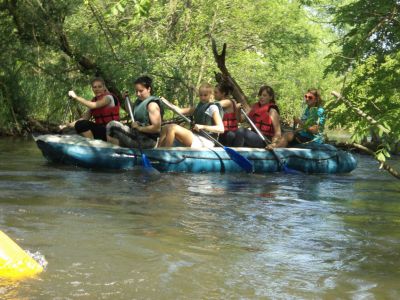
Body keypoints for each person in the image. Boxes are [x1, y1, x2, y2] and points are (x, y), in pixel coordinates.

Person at [158, 83, 224, 148]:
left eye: (205, 95)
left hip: (206, 141)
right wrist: (166, 102)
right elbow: (180, 111)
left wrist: (203, 126)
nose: (202, 97)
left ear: (211, 95)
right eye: (201, 95)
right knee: (165, 127)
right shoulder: (198, 107)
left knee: (172, 128)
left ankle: (166, 153)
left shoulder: (213, 107)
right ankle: (157, 151)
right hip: (196, 136)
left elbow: (221, 129)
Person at [106, 76, 163, 149]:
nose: (138, 94)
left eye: (141, 91)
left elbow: (156, 128)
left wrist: (139, 128)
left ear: (149, 89)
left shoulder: (152, 105)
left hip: (147, 141)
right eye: (136, 91)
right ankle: (118, 152)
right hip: (138, 136)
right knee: (116, 130)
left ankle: (115, 154)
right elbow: (131, 112)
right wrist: (127, 99)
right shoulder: (140, 102)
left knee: (112, 126)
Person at [214, 82, 240, 146]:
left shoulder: (228, 102)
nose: (214, 94)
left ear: (223, 93)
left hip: (229, 134)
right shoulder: (231, 102)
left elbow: (212, 105)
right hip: (224, 133)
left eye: (216, 92)